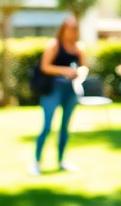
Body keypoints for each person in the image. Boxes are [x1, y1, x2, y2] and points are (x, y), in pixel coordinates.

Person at [31, 15, 88, 174]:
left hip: (71, 89)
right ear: (63, 29)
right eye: (70, 28)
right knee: (47, 126)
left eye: (75, 28)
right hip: (53, 89)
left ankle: (61, 160)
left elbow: (84, 66)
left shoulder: (78, 47)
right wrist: (64, 70)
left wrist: (80, 74)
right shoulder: (54, 45)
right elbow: (45, 66)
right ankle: (36, 161)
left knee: (65, 126)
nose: (72, 31)